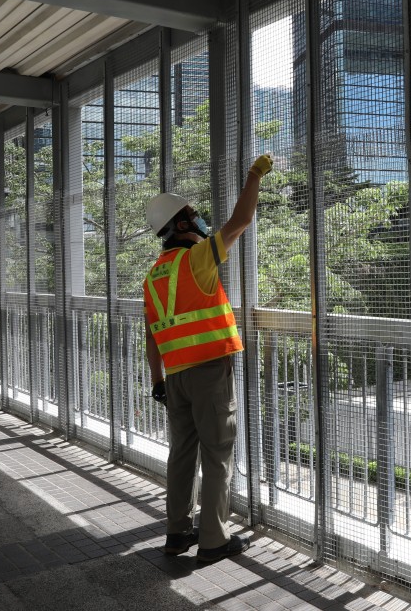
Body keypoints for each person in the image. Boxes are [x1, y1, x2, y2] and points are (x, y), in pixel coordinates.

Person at [142, 153, 273, 562]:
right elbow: (240, 222)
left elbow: (151, 335)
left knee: (182, 453)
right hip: (208, 371)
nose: (200, 220)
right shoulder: (195, 259)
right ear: (181, 225)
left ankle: (177, 533)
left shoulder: (153, 276)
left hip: (175, 377)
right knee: (217, 454)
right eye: (194, 215)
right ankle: (214, 541)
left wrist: (157, 380)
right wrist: (253, 175)